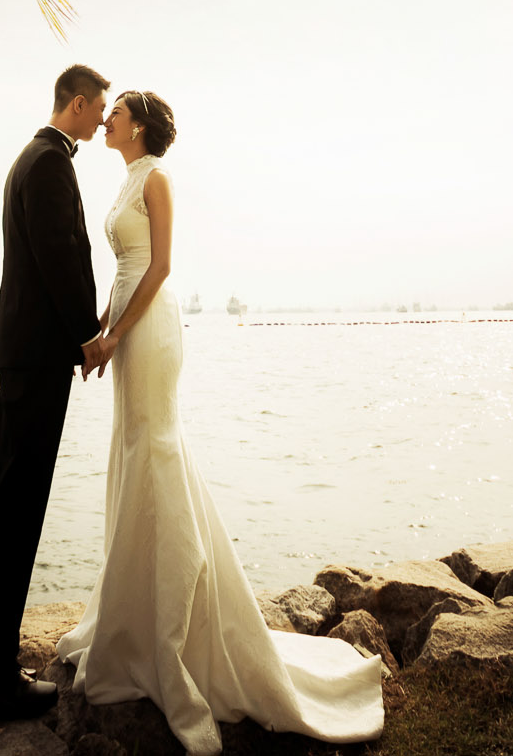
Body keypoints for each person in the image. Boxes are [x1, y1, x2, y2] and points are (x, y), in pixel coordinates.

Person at [56, 91, 384, 756]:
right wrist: (96, 330)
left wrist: (117, 334)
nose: (108, 119)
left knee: (156, 448)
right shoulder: (124, 180)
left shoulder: (158, 178)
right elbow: (124, 268)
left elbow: (161, 266)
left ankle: (171, 621)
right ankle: (130, 610)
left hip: (149, 329)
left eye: (117, 112)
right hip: (124, 322)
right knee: (134, 451)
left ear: (140, 125)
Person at [0, 63, 111, 720]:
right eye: (97, 107)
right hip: (39, 358)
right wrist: (85, 338)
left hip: (23, 355)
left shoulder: (30, 159)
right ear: (75, 103)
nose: (102, 117)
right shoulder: (48, 164)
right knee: (16, 514)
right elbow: (57, 256)